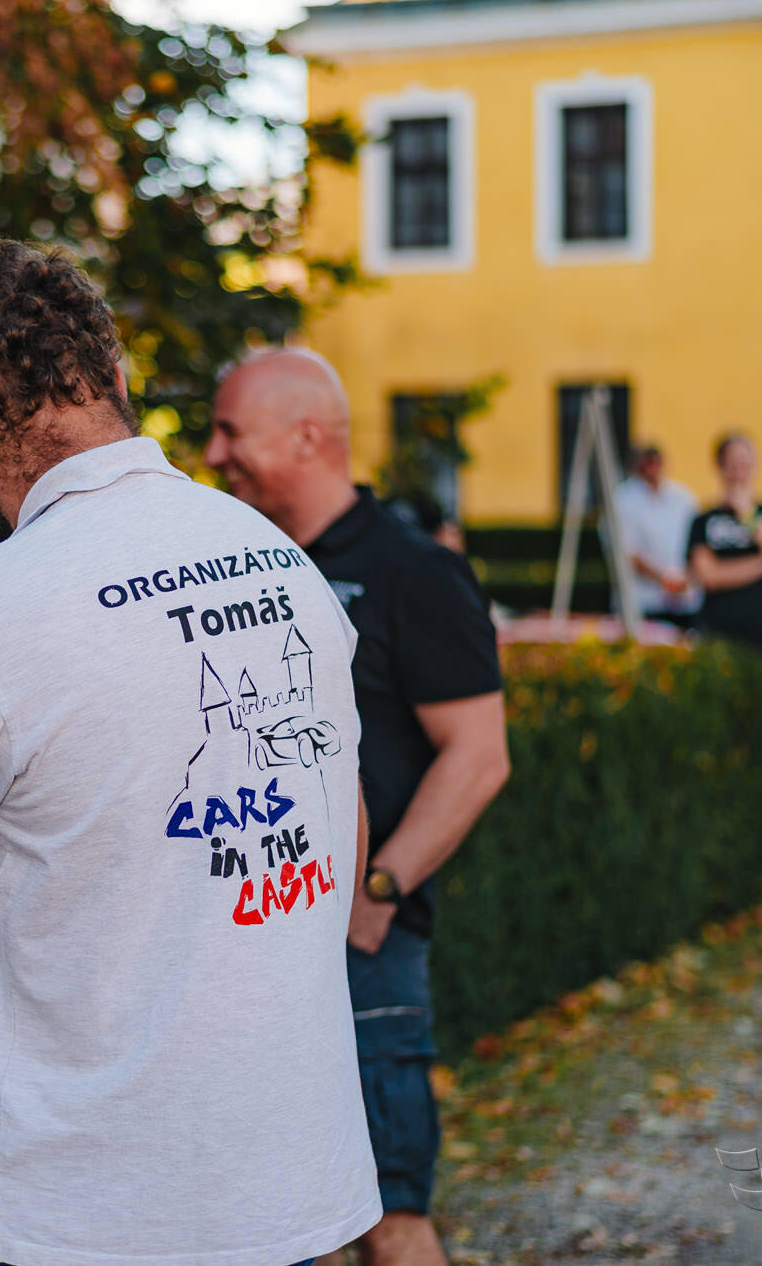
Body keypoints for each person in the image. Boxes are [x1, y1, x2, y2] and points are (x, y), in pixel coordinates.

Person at [0, 239, 381, 1266]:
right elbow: (338, 822)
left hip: (80, 1207)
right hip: (284, 1186)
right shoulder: (282, 563)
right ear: (114, 374)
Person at [206, 348, 509, 1266]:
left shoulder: (413, 571)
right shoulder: (234, 563)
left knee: (387, 1216)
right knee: (280, 1225)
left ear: (307, 436)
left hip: (364, 952)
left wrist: (377, 889)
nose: (213, 454)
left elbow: (479, 754)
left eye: (229, 432)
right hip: (249, 946)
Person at [686, 433, 762, 669]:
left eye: (744, 463)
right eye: (732, 464)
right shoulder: (704, 520)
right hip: (718, 631)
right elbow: (709, 576)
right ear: (720, 467)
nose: (739, 471)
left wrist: (748, 515)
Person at [611, 444, 700, 626]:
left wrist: (686, 578)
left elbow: (697, 545)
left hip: (684, 602)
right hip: (643, 601)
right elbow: (626, 553)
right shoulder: (622, 499)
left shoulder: (683, 497)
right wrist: (666, 580)